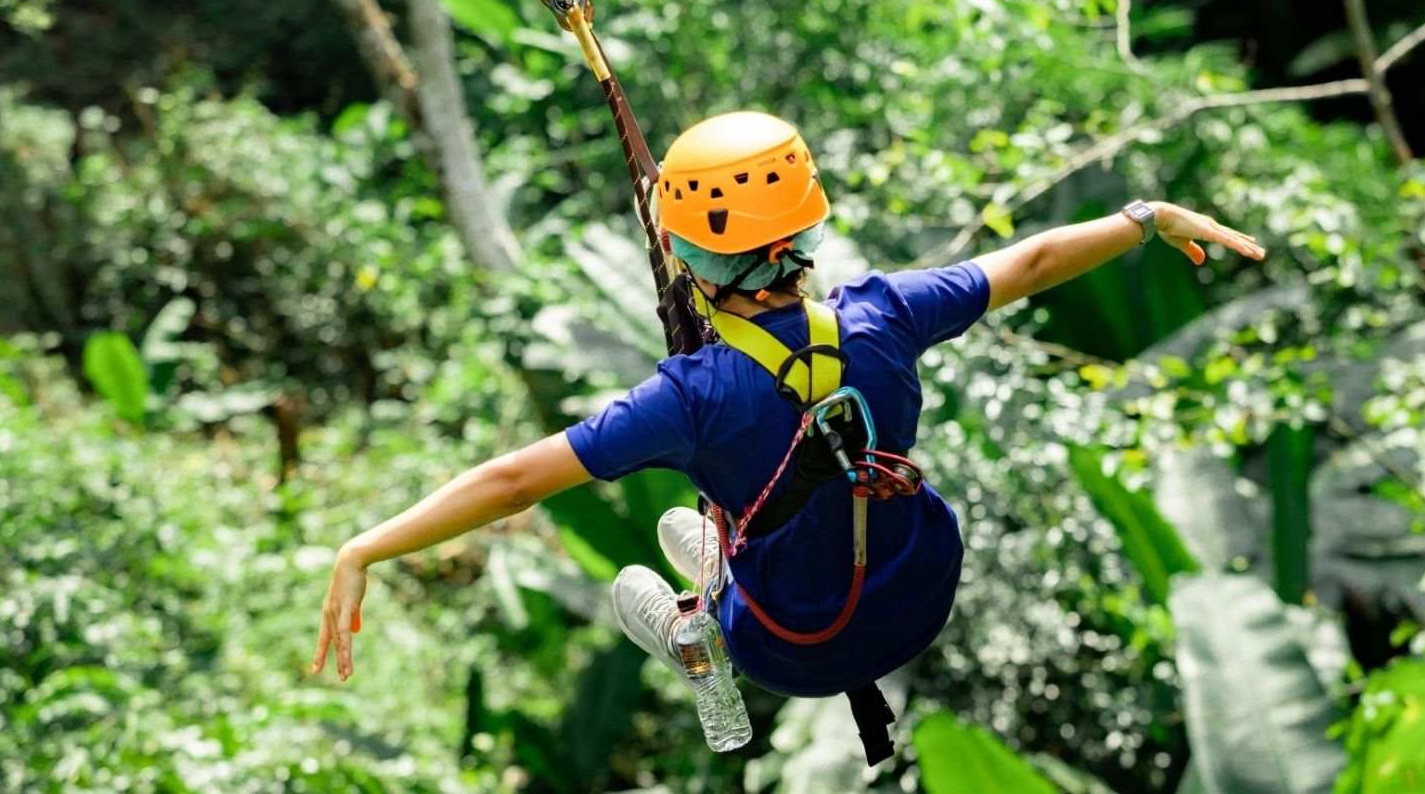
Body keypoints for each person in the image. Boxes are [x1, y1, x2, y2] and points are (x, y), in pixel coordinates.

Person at [309, 112, 1264, 712]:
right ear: (809, 228)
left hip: (793, 649)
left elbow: (514, 479)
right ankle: (723, 567)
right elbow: (1037, 261)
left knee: (671, 544)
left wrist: (366, 549)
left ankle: (698, 634)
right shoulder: (887, 313)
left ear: (686, 261)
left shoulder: (690, 396)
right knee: (739, 511)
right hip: (917, 591)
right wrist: (1144, 216)